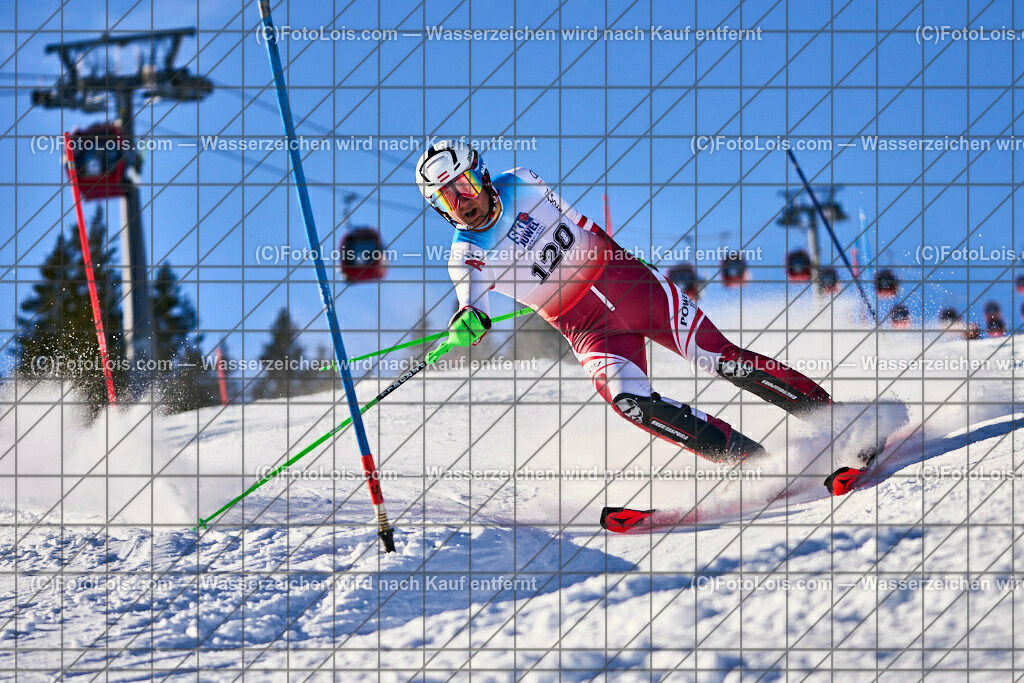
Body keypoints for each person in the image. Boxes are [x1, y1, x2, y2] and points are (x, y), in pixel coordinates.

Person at [416, 139, 832, 463]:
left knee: (720, 358)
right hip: (591, 332)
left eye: (464, 186)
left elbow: (579, 222)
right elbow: (471, 300)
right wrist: (469, 319)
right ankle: (751, 462)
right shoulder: (465, 253)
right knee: (629, 402)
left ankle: (831, 417)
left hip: (634, 288)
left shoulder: (523, 180)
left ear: (482, 176)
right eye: (446, 199)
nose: (462, 203)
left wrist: (622, 256)